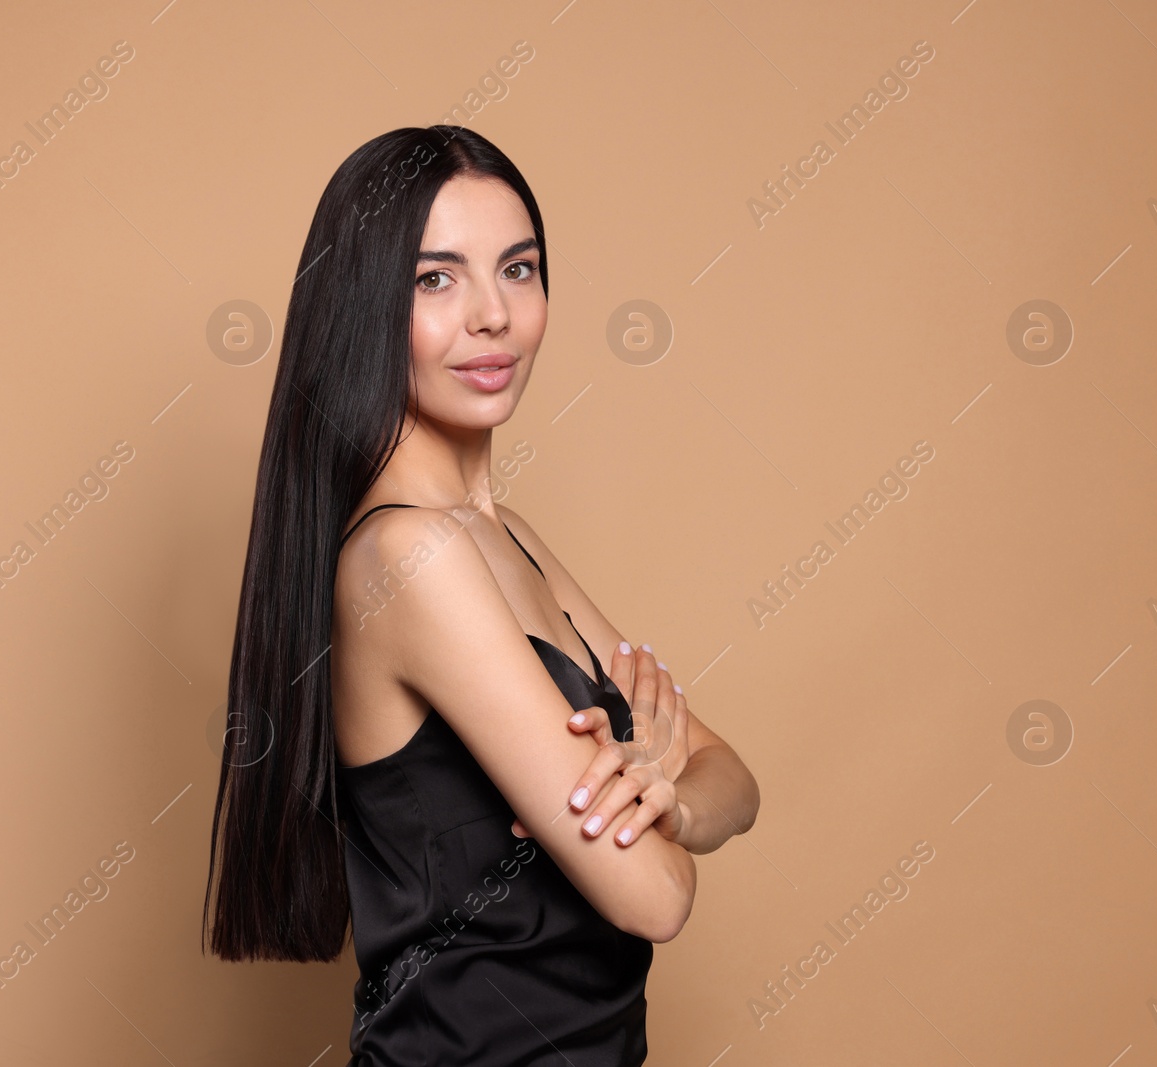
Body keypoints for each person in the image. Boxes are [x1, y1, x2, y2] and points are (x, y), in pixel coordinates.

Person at [203, 125, 759, 1066]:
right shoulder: (408, 558)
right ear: (362, 308)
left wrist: (671, 797)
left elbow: (731, 775)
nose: (493, 314)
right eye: (436, 279)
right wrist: (660, 805)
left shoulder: (507, 536)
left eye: (519, 268)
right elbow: (654, 898)